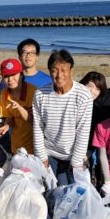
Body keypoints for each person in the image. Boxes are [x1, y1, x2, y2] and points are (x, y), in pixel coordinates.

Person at [31, 49, 92, 185]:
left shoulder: (83, 95)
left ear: (71, 70)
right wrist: (42, 157)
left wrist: (76, 162)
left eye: (64, 70)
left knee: (70, 195)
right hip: (49, 153)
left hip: (72, 156)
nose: (59, 75)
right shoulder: (40, 94)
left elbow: (83, 130)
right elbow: (38, 127)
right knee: (49, 192)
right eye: (54, 70)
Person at [0, 58, 36, 155]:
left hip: (34, 148)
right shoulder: (4, 94)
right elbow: (10, 117)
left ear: (21, 74)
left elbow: (34, 121)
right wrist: (6, 125)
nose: (10, 79)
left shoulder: (33, 92)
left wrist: (20, 108)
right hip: (16, 146)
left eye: (13, 74)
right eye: (6, 76)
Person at [79, 71, 110, 183]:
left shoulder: (99, 111)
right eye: (90, 86)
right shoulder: (72, 103)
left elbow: (96, 136)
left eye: (98, 89)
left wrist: (87, 153)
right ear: (83, 85)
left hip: (88, 152)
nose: (93, 91)